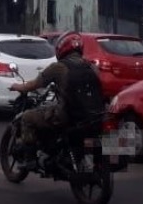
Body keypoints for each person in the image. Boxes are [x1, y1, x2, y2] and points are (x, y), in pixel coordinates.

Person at [8, 31, 105, 169]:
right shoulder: (92, 67)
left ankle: (29, 160)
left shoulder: (59, 67)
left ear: (62, 48)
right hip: (93, 115)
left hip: (67, 115)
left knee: (28, 117)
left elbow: (35, 84)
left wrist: (18, 86)